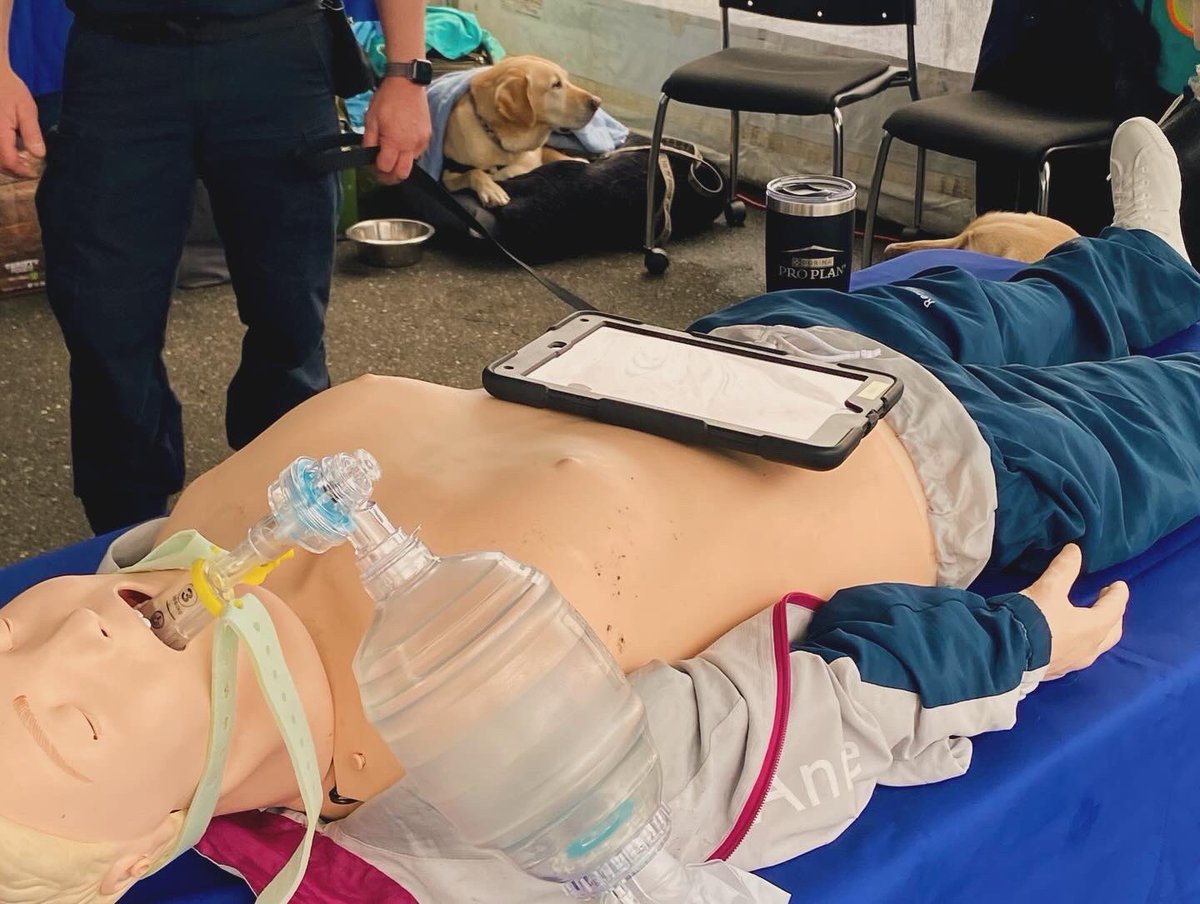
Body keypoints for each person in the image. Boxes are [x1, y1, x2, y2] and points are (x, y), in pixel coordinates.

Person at [0, 117, 1196, 902]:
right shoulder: (478, 773)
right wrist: (1025, 641)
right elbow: (828, 707)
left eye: (13, 636)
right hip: (957, 475)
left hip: (738, 358)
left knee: (1025, 305)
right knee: (1166, 407)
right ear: (138, 848)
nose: (79, 635)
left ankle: (1146, 256)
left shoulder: (186, 537)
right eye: (78, 724)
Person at [0, 0, 433, 535]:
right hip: (118, 61)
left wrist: (407, 74)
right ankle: (126, 539)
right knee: (105, 329)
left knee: (291, 316)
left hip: (276, 57)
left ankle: (289, 522)